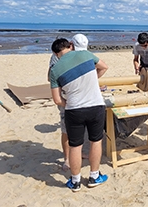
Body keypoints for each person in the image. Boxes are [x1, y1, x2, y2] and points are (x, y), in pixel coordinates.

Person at [50, 38, 109, 191]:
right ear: (70, 46)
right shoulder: (86, 55)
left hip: (74, 109)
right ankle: (94, 176)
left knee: (75, 145)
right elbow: (104, 67)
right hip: (95, 105)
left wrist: (68, 103)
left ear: (55, 54)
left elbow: (57, 99)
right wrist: (91, 80)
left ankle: (75, 181)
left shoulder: (55, 70)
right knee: (96, 141)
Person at [47, 34, 89, 171]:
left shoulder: (76, 54)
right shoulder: (55, 58)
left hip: (79, 97)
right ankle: (66, 158)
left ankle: (77, 153)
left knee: (79, 129)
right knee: (66, 130)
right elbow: (50, 77)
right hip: (66, 99)